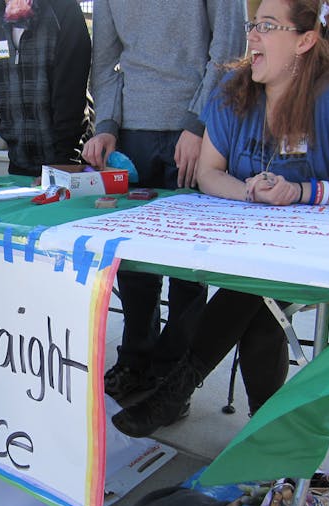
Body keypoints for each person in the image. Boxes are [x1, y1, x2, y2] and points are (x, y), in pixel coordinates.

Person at [112, 0, 329, 438]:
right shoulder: (236, 89)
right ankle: (265, 437)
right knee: (261, 302)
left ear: (305, 40)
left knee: (257, 294)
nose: (251, 35)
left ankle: (178, 388)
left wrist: (304, 193)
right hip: (254, 254)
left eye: (267, 25)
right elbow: (209, 173)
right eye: (253, 24)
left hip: (322, 256)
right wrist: (250, 191)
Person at [82, 1, 246, 404]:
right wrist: (106, 125)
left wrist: (199, 122)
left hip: (194, 132)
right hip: (131, 134)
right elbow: (104, 61)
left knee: (187, 265)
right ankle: (135, 360)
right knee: (132, 263)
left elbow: (228, 46)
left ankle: (175, 373)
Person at [0, 0, 91, 177]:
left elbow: (71, 98)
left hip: (69, 166)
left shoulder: (64, 10)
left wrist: (64, 164)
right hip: (19, 168)